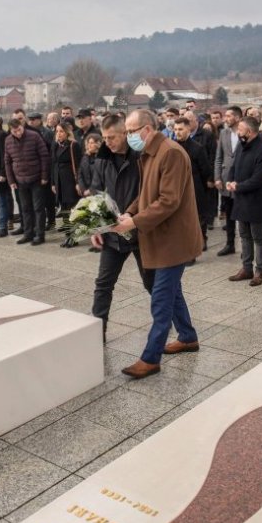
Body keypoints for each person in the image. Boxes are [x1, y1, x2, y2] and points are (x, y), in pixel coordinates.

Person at [113, 109, 203, 379]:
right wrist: (129, 212)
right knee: (172, 292)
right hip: (162, 237)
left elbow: (168, 200)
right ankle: (187, 337)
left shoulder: (171, 153)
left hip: (174, 240)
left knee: (161, 298)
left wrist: (136, 222)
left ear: (148, 129)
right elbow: (145, 194)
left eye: (131, 130)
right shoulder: (151, 153)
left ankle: (150, 359)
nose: (128, 136)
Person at [90, 115, 155, 341]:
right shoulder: (101, 160)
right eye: (104, 138)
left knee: (152, 283)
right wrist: (96, 228)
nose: (107, 142)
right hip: (112, 234)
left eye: (112, 137)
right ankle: (97, 334)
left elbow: (147, 192)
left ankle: (173, 325)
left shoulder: (141, 157)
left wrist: (131, 216)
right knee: (103, 284)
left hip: (140, 232)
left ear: (125, 134)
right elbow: (96, 195)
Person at [227, 116, 262, 286]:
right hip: (241, 199)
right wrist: (230, 180)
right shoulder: (241, 145)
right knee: (244, 236)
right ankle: (246, 268)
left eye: (240, 129)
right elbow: (233, 167)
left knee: (258, 238)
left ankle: (259, 271)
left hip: (256, 201)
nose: (238, 132)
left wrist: (237, 186)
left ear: (250, 131)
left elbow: (259, 179)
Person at [4, 117, 50, 246]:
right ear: (10, 130)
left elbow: (44, 156)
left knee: (38, 208)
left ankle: (40, 235)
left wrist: (44, 176)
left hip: (36, 179)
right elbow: (7, 162)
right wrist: (11, 180)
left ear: (22, 126)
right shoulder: (8, 141)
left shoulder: (34, 136)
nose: (18, 133)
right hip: (20, 180)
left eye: (19, 129)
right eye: (14, 131)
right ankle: (28, 234)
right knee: (25, 208)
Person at [174, 117, 213, 255]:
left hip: (195, 188)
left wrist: (201, 186)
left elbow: (206, 170)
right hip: (176, 190)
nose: (177, 132)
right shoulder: (172, 147)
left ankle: (197, 245)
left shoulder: (197, 148)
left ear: (188, 129)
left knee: (196, 220)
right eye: (176, 129)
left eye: (181, 129)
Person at [214, 106, 241, 256]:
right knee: (229, 214)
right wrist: (217, 177)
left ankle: (246, 246)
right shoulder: (223, 133)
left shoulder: (245, 132)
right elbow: (218, 158)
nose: (226, 118)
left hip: (241, 180)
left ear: (237, 117)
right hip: (225, 180)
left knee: (243, 215)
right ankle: (230, 244)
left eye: (229, 116)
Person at [52, 121, 83, 247]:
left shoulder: (73, 145)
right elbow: (53, 164)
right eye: (57, 131)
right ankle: (68, 234)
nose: (59, 134)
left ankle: (74, 236)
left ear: (67, 132)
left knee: (72, 210)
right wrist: (53, 183)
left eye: (61, 131)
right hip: (59, 181)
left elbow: (79, 165)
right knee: (64, 209)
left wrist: (78, 183)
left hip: (70, 181)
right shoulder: (56, 145)